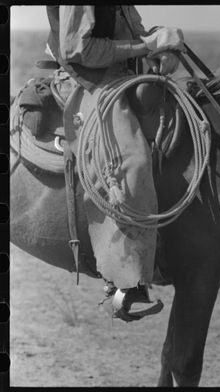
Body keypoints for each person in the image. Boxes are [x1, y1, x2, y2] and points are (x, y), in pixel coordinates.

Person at [46, 5, 185, 322]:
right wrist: (145, 47)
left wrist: (162, 44)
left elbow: (126, 33)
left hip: (123, 73)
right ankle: (124, 286)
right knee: (131, 163)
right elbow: (77, 49)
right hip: (93, 79)